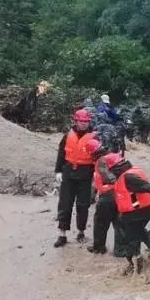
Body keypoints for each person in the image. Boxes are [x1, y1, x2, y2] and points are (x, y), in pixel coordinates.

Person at [111, 157, 150, 274]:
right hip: (143, 210)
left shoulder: (128, 177)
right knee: (138, 230)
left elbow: (147, 186)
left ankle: (135, 266)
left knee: (130, 238)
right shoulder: (130, 172)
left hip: (136, 213)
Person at [54, 109, 97, 247]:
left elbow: (99, 158)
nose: (83, 124)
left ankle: (81, 232)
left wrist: (97, 176)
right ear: (76, 121)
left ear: (89, 122)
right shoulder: (68, 136)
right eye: (81, 121)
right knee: (65, 204)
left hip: (86, 174)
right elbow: (61, 154)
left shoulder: (95, 137)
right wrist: (58, 171)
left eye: (86, 122)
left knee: (83, 205)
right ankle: (62, 234)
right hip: (68, 174)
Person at [88, 149, 122, 254]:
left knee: (100, 224)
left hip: (107, 198)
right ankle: (120, 250)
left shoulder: (100, 163)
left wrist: (91, 199)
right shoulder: (116, 157)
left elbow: (97, 184)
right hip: (121, 196)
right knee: (119, 224)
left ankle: (99, 247)